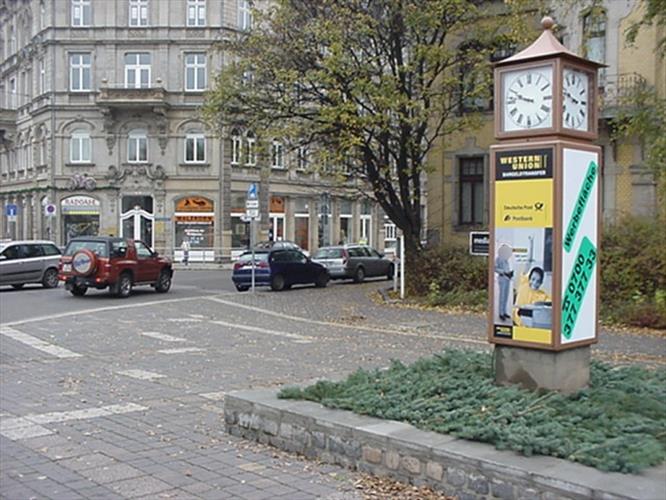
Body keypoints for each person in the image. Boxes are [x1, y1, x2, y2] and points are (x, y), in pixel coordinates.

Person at [494, 243, 513, 321]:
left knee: (506, 296)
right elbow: (495, 268)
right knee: (502, 297)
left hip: (507, 278)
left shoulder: (506, 259)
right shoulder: (498, 259)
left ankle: (504, 312)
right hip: (502, 278)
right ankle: (501, 313)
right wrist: (503, 272)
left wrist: (510, 273)